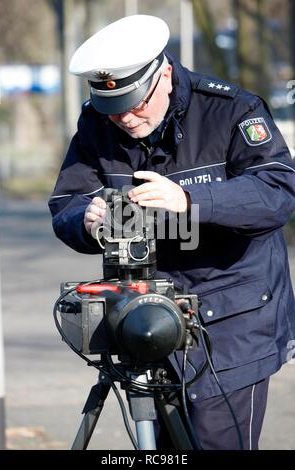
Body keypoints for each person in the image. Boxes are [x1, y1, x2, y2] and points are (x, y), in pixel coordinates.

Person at [48, 15, 295, 450]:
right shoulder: (97, 124)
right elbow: (65, 204)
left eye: (135, 104)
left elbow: (278, 191)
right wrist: (86, 221)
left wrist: (190, 201)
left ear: (162, 74)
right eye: (112, 108)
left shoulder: (232, 109)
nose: (124, 118)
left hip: (231, 329)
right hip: (142, 323)